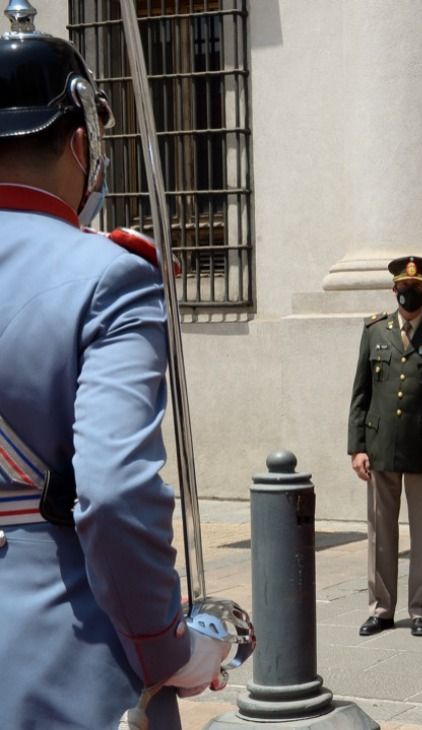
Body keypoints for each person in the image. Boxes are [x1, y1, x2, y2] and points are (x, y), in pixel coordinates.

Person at [0, 5, 226, 725]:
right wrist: (169, 648)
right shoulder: (110, 275)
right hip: (59, 667)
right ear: (79, 143)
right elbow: (114, 494)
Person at [349, 256, 422, 637]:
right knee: (380, 531)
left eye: (416, 289)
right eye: (403, 287)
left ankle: (420, 610)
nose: (408, 293)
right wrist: (357, 447)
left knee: (421, 533)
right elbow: (360, 394)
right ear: (393, 289)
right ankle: (381, 609)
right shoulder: (374, 331)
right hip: (380, 447)